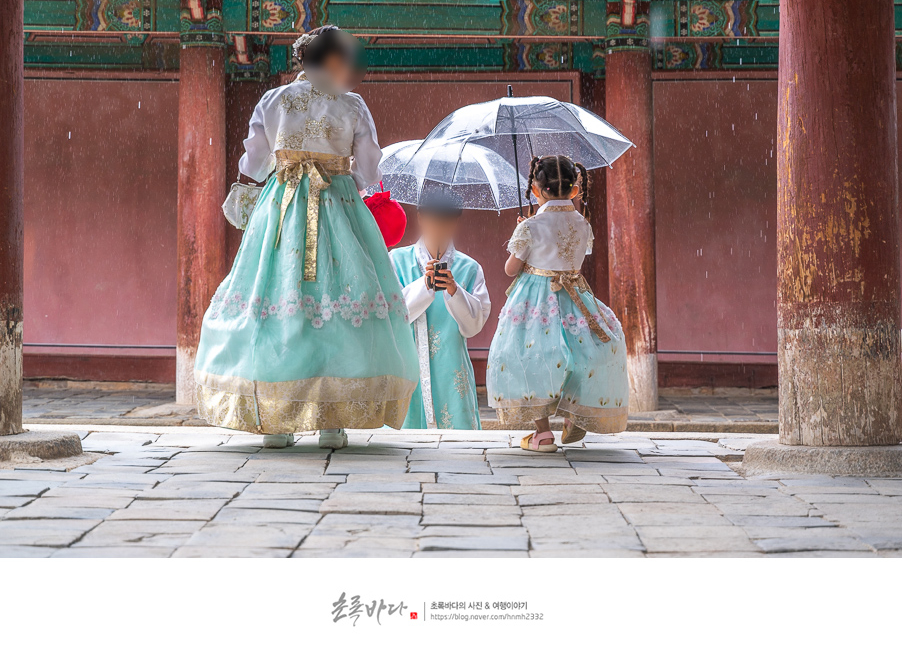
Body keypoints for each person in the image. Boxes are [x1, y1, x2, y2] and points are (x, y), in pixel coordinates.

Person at [194, 26, 419, 449]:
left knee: (278, 302)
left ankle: (277, 421)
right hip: (337, 205)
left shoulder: (273, 100)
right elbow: (370, 169)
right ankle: (333, 420)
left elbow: (256, 162)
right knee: (337, 303)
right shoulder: (351, 105)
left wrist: (285, 168)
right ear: (333, 61)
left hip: (281, 209)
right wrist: (342, 173)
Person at [487, 155, 628, 452]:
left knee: (530, 357)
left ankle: (543, 433)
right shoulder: (582, 224)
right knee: (582, 352)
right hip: (575, 296)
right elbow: (574, 260)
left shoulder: (530, 227)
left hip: (535, 299)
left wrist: (522, 232)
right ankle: (574, 411)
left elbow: (511, 269)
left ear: (537, 190)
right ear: (575, 189)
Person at [390, 189, 490, 429]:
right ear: (421, 218)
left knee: (457, 448)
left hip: (451, 366)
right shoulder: (396, 260)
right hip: (408, 364)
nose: (439, 228)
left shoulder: (469, 268)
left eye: (445, 222)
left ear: (455, 222)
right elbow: (391, 315)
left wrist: (455, 291)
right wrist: (423, 286)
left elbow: (473, 325)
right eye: (433, 221)